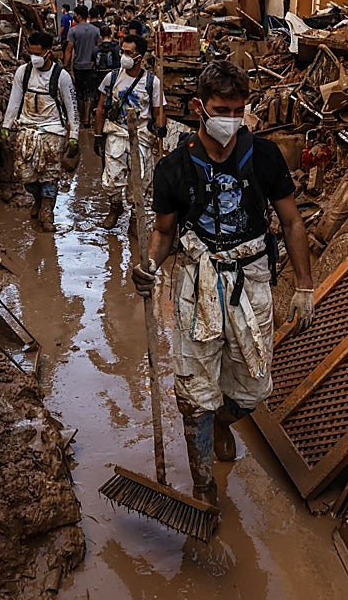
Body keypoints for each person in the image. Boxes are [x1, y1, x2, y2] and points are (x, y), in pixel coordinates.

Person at [131, 61, 315, 507]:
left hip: (251, 277)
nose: (230, 118)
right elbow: (163, 232)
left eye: (238, 109)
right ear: (198, 107)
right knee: (194, 388)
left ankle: (221, 422)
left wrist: (305, 286)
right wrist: (149, 266)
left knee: (254, 387)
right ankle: (203, 488)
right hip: (198, 279)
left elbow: (291, 222)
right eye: (220, 108)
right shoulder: (174, 167)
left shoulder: (264, 156)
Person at [2, 31, 79, 233]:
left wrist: (74, 137)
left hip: (53, 133)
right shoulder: (23, 73)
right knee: (25, 175)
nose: (33, 57)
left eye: (37, 53)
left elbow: (72, 109)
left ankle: (47, 212)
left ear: (48, 53)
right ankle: (37, 198)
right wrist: (6, 125)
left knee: (50, 175)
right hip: (27, 130)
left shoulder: (61, 77)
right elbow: (14, 100)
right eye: (30, 53)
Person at [93, 33, 165, 230]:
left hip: (141, 135)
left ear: (139, 58)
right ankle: (115, 207)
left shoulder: (152, 82)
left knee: (141, 181)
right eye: (122, 51)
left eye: (128, 53)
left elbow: (158, 111)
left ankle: (136, 218)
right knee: (112, 178)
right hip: (116, 133)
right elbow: (101, 108)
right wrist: (98, 135)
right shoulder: (112, 78)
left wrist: (160, 132)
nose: (123, 55)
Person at [64, 5, 102, 126]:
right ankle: (87, 119)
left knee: (79, 92)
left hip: (78, 66)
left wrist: (65, 65)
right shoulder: (95, 30)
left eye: (75, 14)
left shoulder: (73, 31)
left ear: (79, 16)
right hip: (91, 66)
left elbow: (69, 49)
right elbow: (99, 48)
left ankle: (80, 117)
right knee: (90, 92)